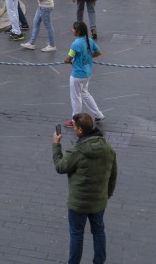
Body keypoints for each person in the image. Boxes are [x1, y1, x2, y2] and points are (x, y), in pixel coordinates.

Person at [52, 113, 118, 264]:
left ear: (80, 130)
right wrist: (108, 194)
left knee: (76, 234)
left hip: (78, 204)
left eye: (74, 127)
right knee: (99, 232)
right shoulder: (108, 149)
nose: (73, 129)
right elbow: (113, 174)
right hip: (99, 201)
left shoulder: (77, 151)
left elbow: (60, 167)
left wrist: (56, 145)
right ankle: (99, 261)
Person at [65, 21, 104, 127]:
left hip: (77, 75)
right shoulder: (89, 41)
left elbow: (69, 58)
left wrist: (67, 61)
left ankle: (75, 120)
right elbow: (98, 52)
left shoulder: (75, 44)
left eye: (73, 29)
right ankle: (98, 114)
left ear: (77, 31)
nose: (72, 30)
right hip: (87, 73)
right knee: (84, 93)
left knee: (76, 98)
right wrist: (89, 57)